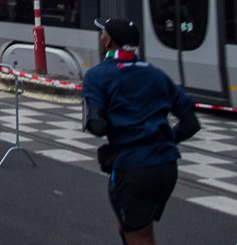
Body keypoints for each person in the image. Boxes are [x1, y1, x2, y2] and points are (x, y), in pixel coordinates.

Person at [83, 18, 201, 245]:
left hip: (133, 169)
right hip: (166, 166)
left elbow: (97, 127)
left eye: (102, 34)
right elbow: (191, 123)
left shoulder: (97, 75)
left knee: (140, 238)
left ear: (107, 42)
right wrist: (161, 140)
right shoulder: (155, 73)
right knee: (129, 227)